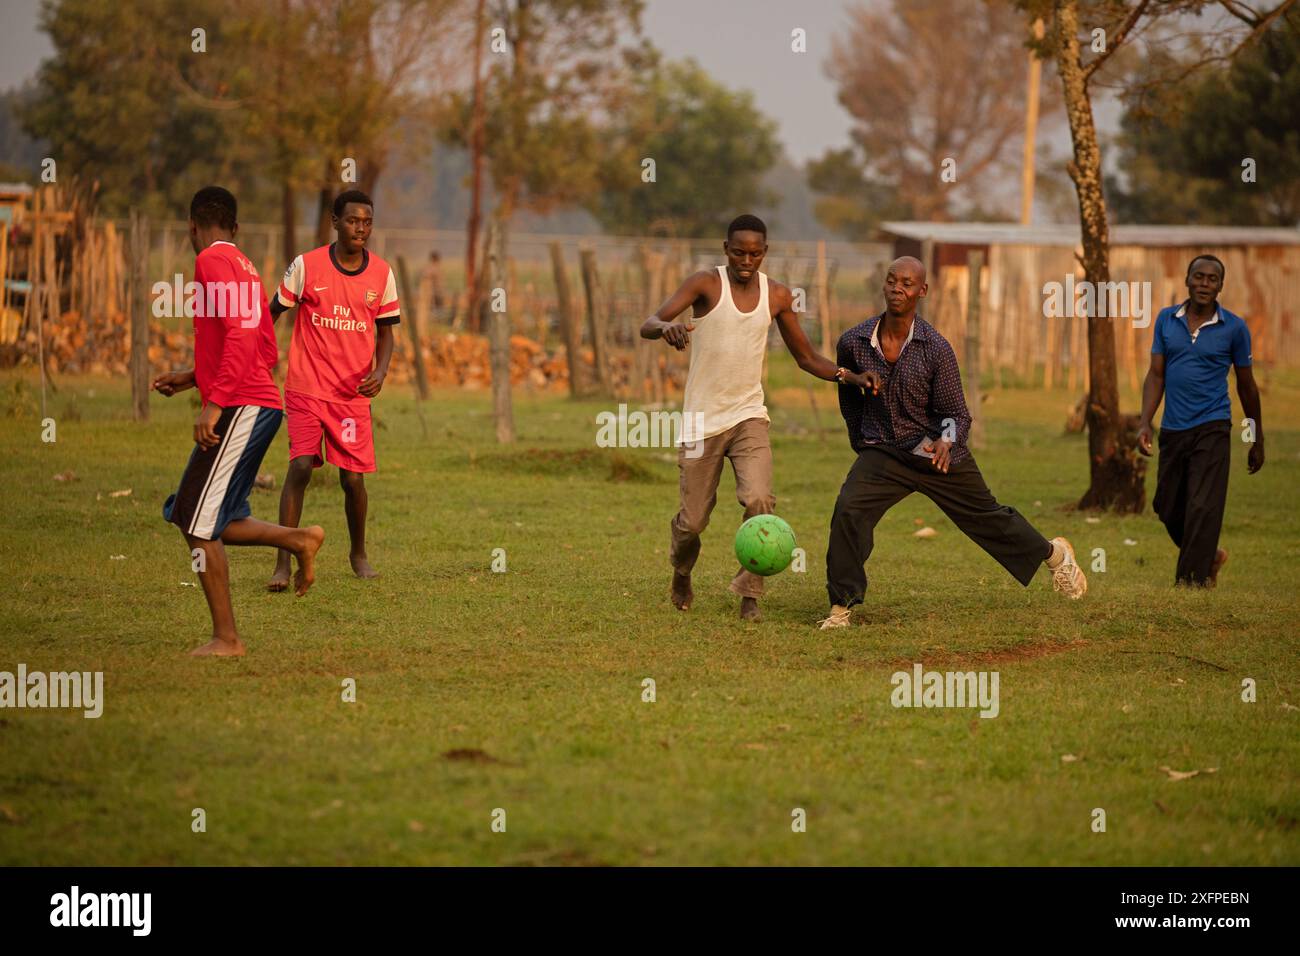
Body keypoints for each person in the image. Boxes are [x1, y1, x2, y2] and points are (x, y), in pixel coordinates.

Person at [820, 256, 1086, 630]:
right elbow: (847, 392)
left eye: (908, 283)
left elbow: (957, 413)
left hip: (935, 452)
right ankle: (840, 607)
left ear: (922, 291)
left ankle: (1056, 556)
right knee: (849, 509)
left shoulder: (936, 349)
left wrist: (946, 440)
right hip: (884, 450)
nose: (898, 288)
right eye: (892, 281)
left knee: (986, 518)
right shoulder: (854, 341)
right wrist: (862, 439)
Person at [640, 213, 879, 621]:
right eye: (738, 252)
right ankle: (681, 571)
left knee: (759, 500)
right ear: (725, 250)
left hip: (749, 415)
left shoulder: (778, 296)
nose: (746, 261)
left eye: (754, 253)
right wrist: (667, 327)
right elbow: (649, 322)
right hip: (702, 422)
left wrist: (848, 375)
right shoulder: (705, 284)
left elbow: (805, 357)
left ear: (765, 253)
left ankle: (749, 594)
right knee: (693, 522)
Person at [153, 186, 324, 657]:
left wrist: (216, 403)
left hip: (242, 407)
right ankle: (298, 539)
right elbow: (262, 346)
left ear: (192, 226)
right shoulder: (245, 265)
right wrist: (194, 379)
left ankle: (227, 639)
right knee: (199, 513)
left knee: (198, 523)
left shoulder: (209, 262)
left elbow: (247, 336)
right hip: (254, 403)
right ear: (236, 227)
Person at [267, 190, 400, 589]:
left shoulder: (382, 273)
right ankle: (283, 562)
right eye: (353, 220)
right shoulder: (306, 266)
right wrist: (259, 355)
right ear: (335, 221)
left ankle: (358, 554)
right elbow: (271, 313)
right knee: (300, 467)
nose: (361, 228)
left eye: (367, 222)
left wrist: (381, 370)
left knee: (353, 481)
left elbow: (387, 331)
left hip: (351, 397)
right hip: (306, 388)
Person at [1137, 254, 1264, 587]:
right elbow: (1155, 375)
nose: (1204, 284)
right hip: (1174, 428)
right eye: (1199, 276)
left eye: (1212, 279)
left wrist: (1255, 438)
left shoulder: (1234, 328)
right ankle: (1210, 556)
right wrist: (1144, 422)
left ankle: (1190, 583)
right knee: (1166, 504)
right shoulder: (1167, 319)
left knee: (1201, 507)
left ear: (1220, 285)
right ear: (1187, 280)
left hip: (1213, 425)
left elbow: (1247, 386)